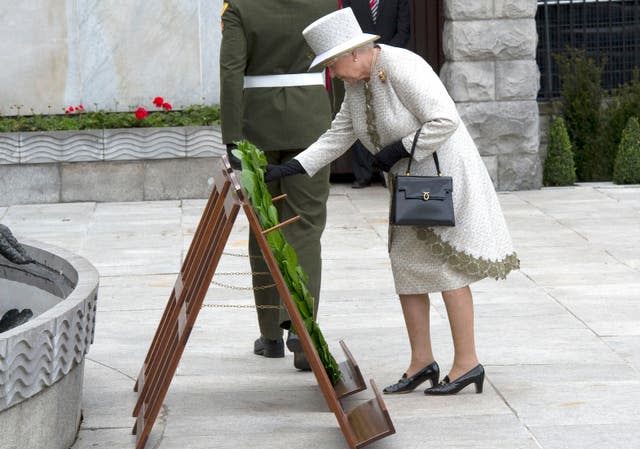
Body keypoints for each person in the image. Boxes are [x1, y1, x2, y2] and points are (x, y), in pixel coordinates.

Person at [264, 8, 520, 394]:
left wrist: (399, 147)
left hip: (441, 177)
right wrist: (294, 167)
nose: (331, 74)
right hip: (408, 182)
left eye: (332, 64)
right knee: (407, 267)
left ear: (354, 53)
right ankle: (422, 362)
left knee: (447, 267)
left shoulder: (401, 65)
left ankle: (467, 363)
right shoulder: (356, 83)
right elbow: (341, 133)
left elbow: (444, 119)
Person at [219, 0, 337, 370]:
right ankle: (302, 336)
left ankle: (270, 333)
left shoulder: (240, 7)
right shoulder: (322, 2)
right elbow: (337, 57)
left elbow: (231, 71)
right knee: (305, 225)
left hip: (258, 127)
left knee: (263, 226)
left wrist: (232, 137)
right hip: (311, 121)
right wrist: (333, 118)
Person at [341, 0, 411, 188]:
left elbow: (404, 30)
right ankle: (362, 174)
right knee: (361, 116)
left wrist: (382, 56)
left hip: (391, 65)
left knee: (389, 117)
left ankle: (386, 171)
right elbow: (346, 31)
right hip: (359, 65)